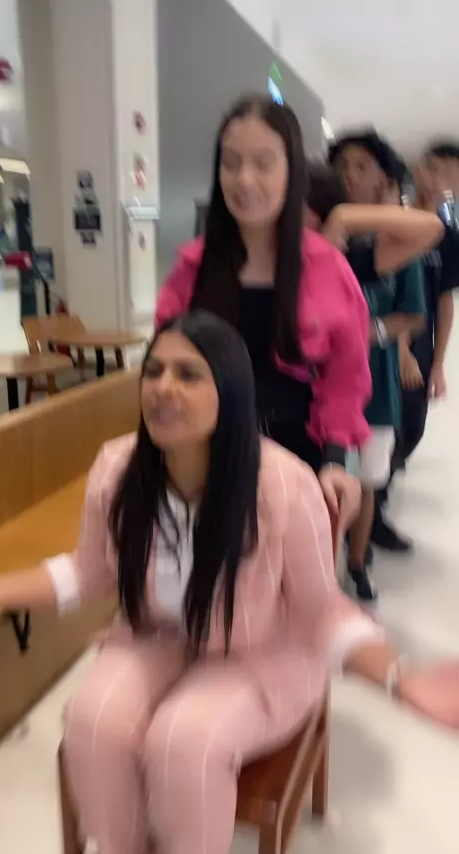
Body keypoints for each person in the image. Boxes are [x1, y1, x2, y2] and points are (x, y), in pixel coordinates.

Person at [0, 311, 457, 854]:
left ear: (228, 392)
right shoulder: (118, 468)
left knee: (183, 742)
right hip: (157, 635)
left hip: (260, 651)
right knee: (92, 724)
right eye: (154, 371)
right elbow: (88, 571)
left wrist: (398, 676)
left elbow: (320, 610)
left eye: (188, 375)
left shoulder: (282, 485)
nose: (163, 388)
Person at [156, 94, 372, 528]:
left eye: (263, 163)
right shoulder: (192, 268)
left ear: (292, 172)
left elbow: (345, 379)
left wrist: (335, 461)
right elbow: (165, 368)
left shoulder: (328, 269)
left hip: (297, 462)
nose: (245, 179)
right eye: (231, 163)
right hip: (204, 461)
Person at [328, 132, 443, 601]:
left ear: (384, 180)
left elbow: (413, 315)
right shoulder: (322, 239)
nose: (349, 176)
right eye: (342, 167)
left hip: (375, 388)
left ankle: (357, 563)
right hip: (321, 393)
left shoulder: (397, 246)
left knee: (369, 480)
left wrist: (366, 333)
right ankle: (320, 570)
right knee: (324, 481)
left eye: (361, 166)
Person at [372, 146, 459, 551]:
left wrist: (438, 363)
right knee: (385, 427)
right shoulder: (395, 223)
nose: (442, 181)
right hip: (388, 341)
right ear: (419, 170)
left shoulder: (447, 237)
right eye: (436, 170)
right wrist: (402, 349)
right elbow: (389, 291)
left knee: (412, 427)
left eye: (452, 175)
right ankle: (371, 513)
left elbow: (444, 301)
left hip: (422, 344)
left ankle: (377, 494)